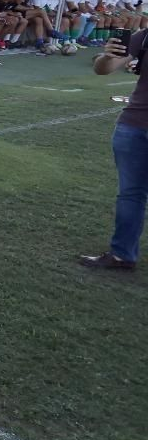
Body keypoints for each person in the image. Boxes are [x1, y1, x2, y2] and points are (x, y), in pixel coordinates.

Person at [87, 27, 148, 270]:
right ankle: (122, 254)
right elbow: (103, 70)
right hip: (133, 125)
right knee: (130, 194)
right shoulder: (144, 36)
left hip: (132, 127)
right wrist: (108, 56)